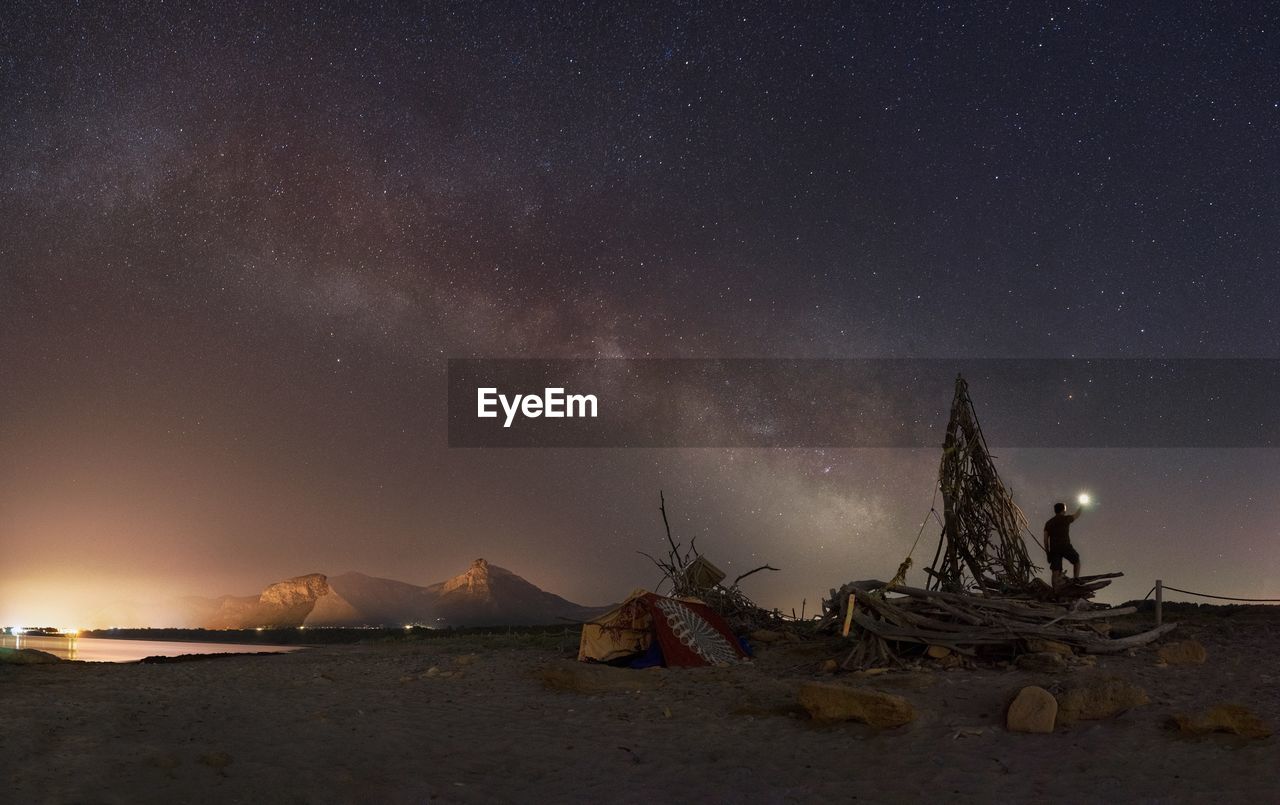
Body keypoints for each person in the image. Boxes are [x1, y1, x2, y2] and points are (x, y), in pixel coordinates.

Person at [1043, 501, 1083, 589]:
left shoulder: (1048, 523)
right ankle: (1076, 578)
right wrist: (1082, 505)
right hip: (1065, 546)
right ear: (1063, 509)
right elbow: (1077, 515)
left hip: (1054, 549)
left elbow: (1045, 540)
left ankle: (1055, 591)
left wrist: (1048, 553)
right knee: (1076, 560)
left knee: (1055, 571)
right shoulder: (1066, 519)